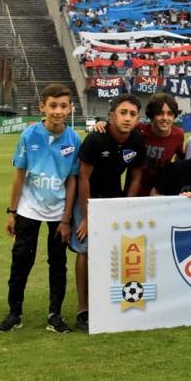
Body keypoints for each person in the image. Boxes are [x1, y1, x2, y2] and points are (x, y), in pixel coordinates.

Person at [0, 84, 80, 333]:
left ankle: (55, 316)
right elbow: (19, 175)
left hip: (58, 212)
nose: (58, 111)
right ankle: (15, 314)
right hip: (28, 209)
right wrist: (12, 212)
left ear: (70, 108)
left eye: (63, 106)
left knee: (58, 263)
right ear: (42, 107)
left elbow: (73, 180)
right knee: (21, 261)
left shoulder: (74, 139)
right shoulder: (29, 135)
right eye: (53, 106)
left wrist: (66, 220)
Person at [71, 94, 147, 333]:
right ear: (112, 116)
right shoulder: (96, 139)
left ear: (137, 118)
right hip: (89, 200)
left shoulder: (137, 141)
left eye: (132, 114)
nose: (127, 118)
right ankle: (83, 310)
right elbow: (83, 179)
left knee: (115, 249)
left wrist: (125, 207)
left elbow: (135, 176)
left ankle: (107, 302)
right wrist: (86, 217)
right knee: (86, 248)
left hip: (114, 201)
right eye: (123, 113)